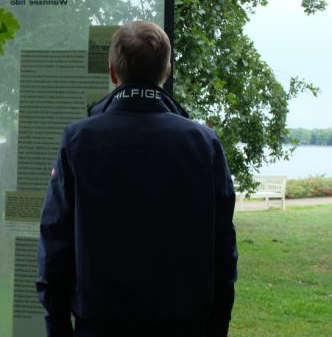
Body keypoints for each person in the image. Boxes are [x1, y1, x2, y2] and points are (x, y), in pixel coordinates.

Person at [37, 21, 238, 337]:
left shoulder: (79, 140)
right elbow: (223, 253)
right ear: (166, 71)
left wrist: (59, 329)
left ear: (113, 72)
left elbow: (55, 246)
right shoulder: (203, 143)